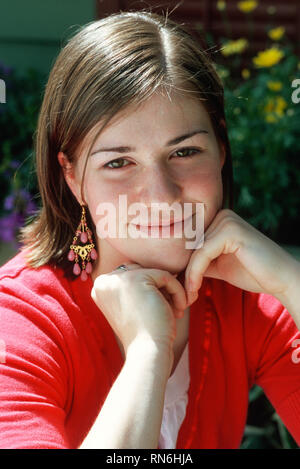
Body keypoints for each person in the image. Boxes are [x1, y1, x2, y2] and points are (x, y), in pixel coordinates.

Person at [0, 10, 300, 450]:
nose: (161, 195)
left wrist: (291, 283)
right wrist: (147, 352)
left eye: (184, 151)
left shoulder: (246, 300)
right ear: (71, 177)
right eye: (118, 162)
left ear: (220, 149)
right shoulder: (21, 321)